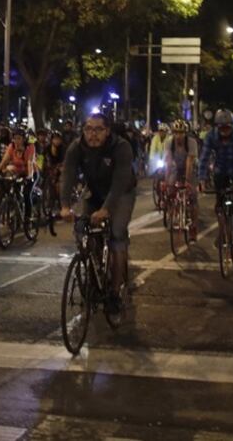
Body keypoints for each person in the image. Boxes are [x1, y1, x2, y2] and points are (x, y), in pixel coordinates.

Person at [59, 113, 136, 315]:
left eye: (98, 129)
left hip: (121, 193)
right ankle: (93, 270)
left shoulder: (121, 147)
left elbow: (120, 182)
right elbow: (67, 174)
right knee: (84, 230)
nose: (92, 134)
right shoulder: (76, 147)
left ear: (107, 131)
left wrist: (106, 209)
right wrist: (65, 205)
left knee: (117, 236)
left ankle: (114, 292)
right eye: (88, 129)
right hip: (94, 192)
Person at [199, 109, 233, 246]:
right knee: (220, 201)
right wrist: (202, 179)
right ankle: (222, 230)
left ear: (232, 126)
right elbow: (204, 158)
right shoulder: (211, 136)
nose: (224, 132)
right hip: (220, 169)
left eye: (227, 128)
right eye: (221, 128)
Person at [163, 119, 199, 241]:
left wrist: (187, 181)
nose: (179, 136)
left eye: (181, 133)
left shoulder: (191, 142)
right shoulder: (169, 142)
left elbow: (189, 162)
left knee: (193, 197)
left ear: (185, 133)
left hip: (189, 168)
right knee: (170, 189)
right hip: (176, 167)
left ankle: (193, 227)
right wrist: (166, 181)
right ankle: (173, 208)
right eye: (176, 133)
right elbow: (168, 161)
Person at [0, 126, 37, 219]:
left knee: (26, 193)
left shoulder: (30, 147)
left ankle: (28, 218)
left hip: (31, 172)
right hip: (18, 172)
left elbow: (30, 162)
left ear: (24, 139)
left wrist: (29, 176)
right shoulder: (11, 147)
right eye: (15, 138)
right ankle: (17, 210)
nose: (16, 141)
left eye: (19, 139)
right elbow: (4, 161)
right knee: (13, 189)